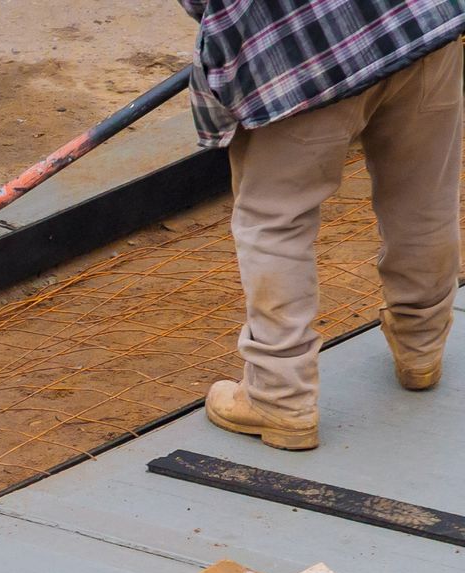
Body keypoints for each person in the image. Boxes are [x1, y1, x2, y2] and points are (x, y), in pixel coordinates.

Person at [180, 2, 464, 451]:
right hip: (416, 24)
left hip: (296, 58)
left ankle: (280, 398)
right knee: (424, 194)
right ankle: (421, 347)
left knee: (275, 220)